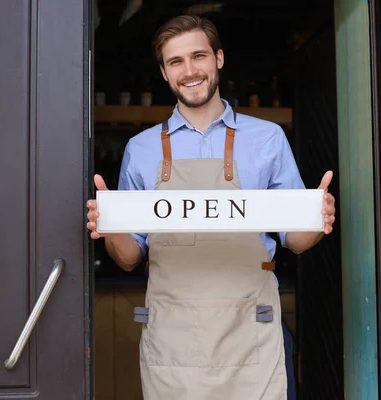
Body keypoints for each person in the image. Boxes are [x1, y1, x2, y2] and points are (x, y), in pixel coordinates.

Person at [86, 15, 336, 400]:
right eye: (176, 62)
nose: (189, 71)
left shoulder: (267, 138)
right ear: (164, 73)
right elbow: (129, 257)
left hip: (251, 332)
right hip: (173, 340)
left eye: (198, 56)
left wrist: (317, 219)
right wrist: (111, 227)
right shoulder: (141, 149)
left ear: (218, 58)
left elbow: (296, 240)